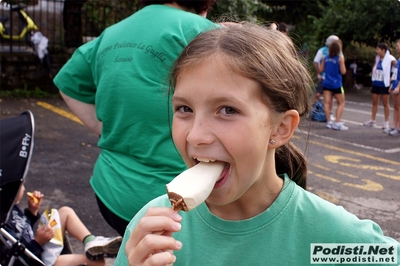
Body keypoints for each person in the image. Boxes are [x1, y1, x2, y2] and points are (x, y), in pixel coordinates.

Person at [113, 23, 400, 265]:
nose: (195, 136)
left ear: (281, 127)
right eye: (184, 109)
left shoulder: (328, 237)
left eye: (227, 110)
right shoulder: (150, 232)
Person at [53, 0, 219, 236]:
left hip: (111, 195)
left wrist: (103, 128)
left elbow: (68, 84)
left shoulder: (111, 32)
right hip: (175, 203)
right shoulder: (198, 29)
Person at [3, 184, 122, 266]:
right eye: (21, 185)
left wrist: (32, 211)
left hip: (39, 246)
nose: (24, 187)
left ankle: (91, 241)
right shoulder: (3, 225)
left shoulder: (11, 207)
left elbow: (24, 226)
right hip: (37, 260)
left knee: (65, 212)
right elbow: (15, 260)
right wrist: (38, 242)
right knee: (98, 262)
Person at [364, 42, 396, 129]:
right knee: (375, 102)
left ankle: (386, 122)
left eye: (378, 49)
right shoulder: (377, 58)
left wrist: (392, 78)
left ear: (383, 50)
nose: (376, 51)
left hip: (385, 83)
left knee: (385, 103)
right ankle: (372, 120)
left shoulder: (390, 59)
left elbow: (396, 69)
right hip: (376, 81)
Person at [319, 40, 348, 130]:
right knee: (341, 102)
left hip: (327, 82)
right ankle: (337, 122)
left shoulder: (325, 58)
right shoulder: (340, 58)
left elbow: (321, 69)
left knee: (326, 102)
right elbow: (343, 71)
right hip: (336, 84)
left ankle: (328, 121)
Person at [313, 35, 340, 121]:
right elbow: (315, 62)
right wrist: (318, 74)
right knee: (317, 94)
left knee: (331, 98)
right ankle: (313, 111)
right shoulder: (322, 50)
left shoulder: (339, 52)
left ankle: (329, 114)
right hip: (324, 77)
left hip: (334, 79)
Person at [387, 39, 400, 136]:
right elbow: (395, 73)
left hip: (398, 86)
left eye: (398, 46)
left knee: (399, 107)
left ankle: (398, 127)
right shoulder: (398, 60)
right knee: (396, 106)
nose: (397, 48)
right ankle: (394, 125)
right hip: (395, 84)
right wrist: (392, 84)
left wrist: (398, 87)